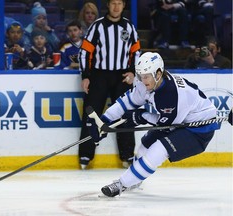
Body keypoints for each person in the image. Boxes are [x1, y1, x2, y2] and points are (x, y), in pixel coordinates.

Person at [86, 52, 222, 197]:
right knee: (146, 144)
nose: (142, 80)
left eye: (146, 76)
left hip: (198, 130)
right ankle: (135, 180)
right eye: (140, 76)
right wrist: (105, 119)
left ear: (158, 74)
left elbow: (168, 126)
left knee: (158, 149)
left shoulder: (172, 94)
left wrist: (141, 116)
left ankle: (121, 184)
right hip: (179, 120)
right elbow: (127, 102)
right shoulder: (148, 82)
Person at [78, 0, 141, 170]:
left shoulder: (129, 27)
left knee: (126, 115)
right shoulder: (97, 26)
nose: (116, 7)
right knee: (91, 114)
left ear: (123, 6)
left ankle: (127, 154)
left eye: (119, 3)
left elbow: (136, 52)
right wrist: (86, 76)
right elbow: (85, 52)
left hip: (122, 77)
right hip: (99, 76)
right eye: (113, 3)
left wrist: (133, 72)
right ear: (108, 5)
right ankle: (85, 154)